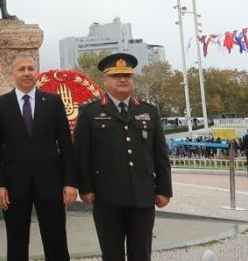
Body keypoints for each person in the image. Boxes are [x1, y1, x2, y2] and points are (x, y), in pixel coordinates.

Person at [73, 52, 173, 261]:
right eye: (116, 75)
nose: (122, 79)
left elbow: (160, 155)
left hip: (142, 195)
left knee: (141, 253)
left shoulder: (149, 111)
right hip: (107, 196)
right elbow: (81, 155)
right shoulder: (90, 112)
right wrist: (85, 188)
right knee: (111, 254)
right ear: (105, 80)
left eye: (127, 75)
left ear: (132, 79)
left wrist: (164, 190)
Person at [0, 52, 76, 261]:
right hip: (14, 186)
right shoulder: (0, 104)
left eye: (30, 68)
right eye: (22, 69)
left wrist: (70, 182)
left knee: (56, 240)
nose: (27, 73)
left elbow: (66, 146)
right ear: (12, 73)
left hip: (50, 184)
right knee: (16, 242)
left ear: (37, 72)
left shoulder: (53, 102)